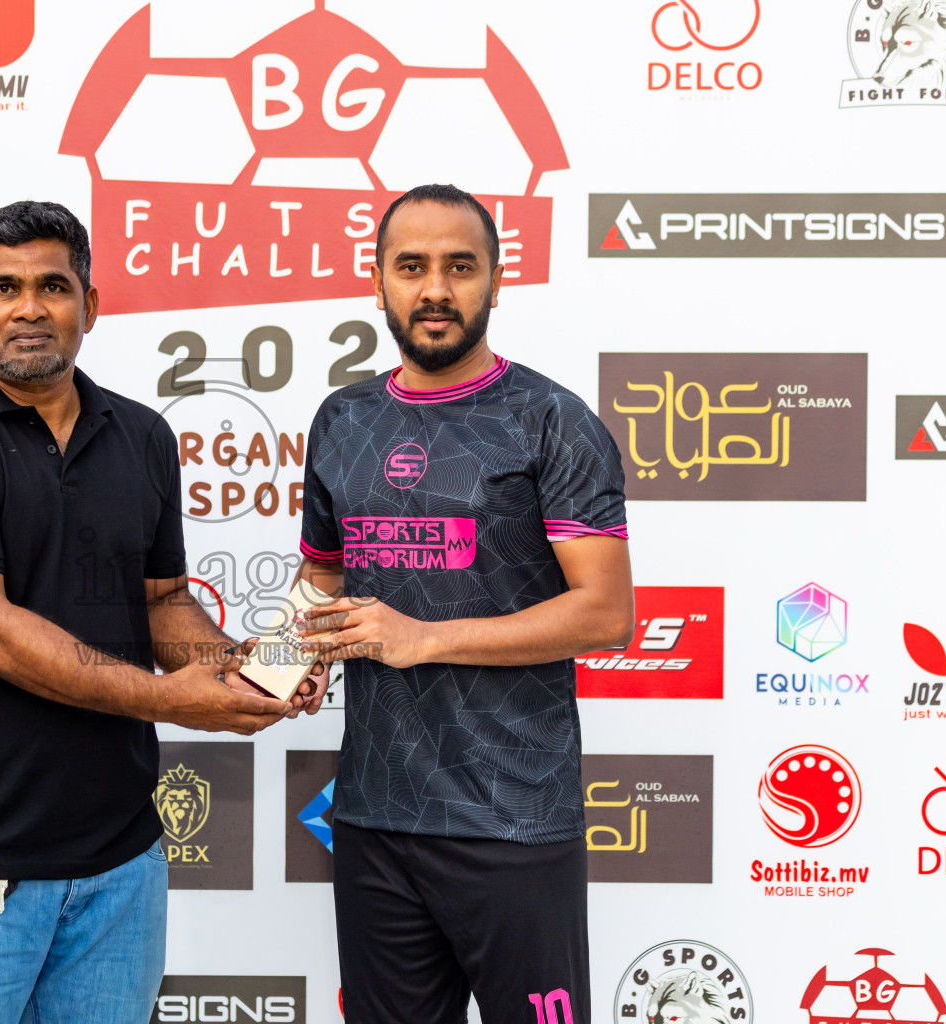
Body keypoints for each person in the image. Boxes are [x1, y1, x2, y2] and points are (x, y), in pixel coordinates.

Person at [0, 200, 302, 1024]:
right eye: (3, 289)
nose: (29, 308)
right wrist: (169, 701)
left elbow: (163, 604)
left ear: (90, 306)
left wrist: (242, 672)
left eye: (53, 286)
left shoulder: (139, 435)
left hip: (119, 867)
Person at [293, 184, 635, 1024]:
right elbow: (323, 585)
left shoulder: (550, 419)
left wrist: (424, 637)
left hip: (513, 818)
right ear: (378, 283)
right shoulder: (342, 419)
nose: (435, 289)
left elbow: (605, 614)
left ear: (496, 279)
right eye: (411, 267)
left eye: (459, 267)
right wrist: (281, 667)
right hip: (374, 817)